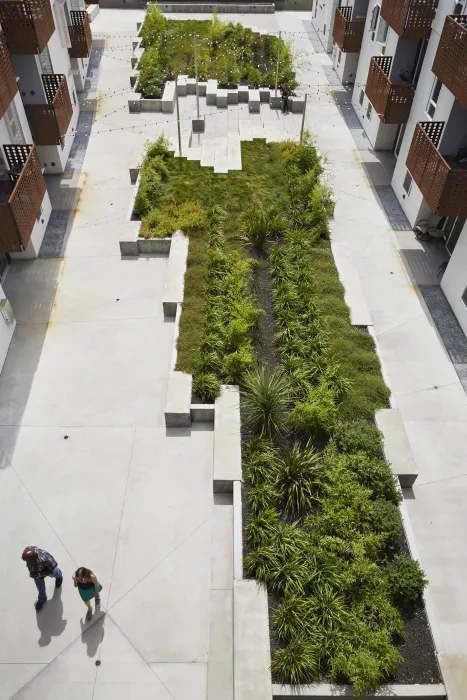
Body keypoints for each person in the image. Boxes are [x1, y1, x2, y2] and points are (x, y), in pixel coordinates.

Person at [21, 546, 63, 611]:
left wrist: (39, 573)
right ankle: (42, 599)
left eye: (28, 561)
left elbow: (54, 564)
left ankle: (59, 577)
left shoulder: (45, 559)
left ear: (33, 559)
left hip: (47, 570)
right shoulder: (27, 550)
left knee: (55, 572)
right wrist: (35, 574)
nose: (27, 563)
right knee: (40, 587)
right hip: (37, 575)